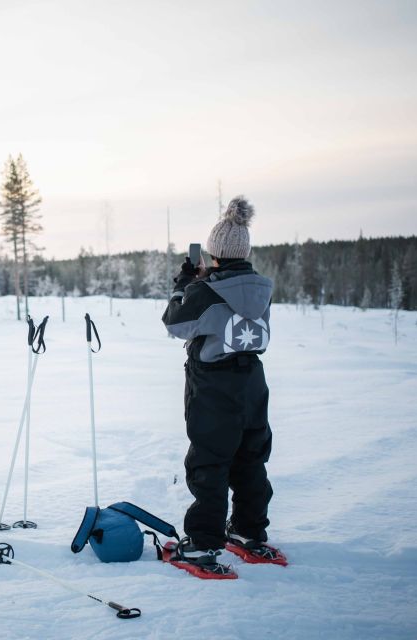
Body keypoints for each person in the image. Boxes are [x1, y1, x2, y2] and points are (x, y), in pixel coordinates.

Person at [161, 196, 277, 575]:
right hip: (252, 383)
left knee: (209, 462)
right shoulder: (261, 289)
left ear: (213, 253)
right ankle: (248, 532)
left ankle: (202, 544)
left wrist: (184, 284)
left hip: (213, 386)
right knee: (250, 458)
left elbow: (175, 324)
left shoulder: (205, 291)